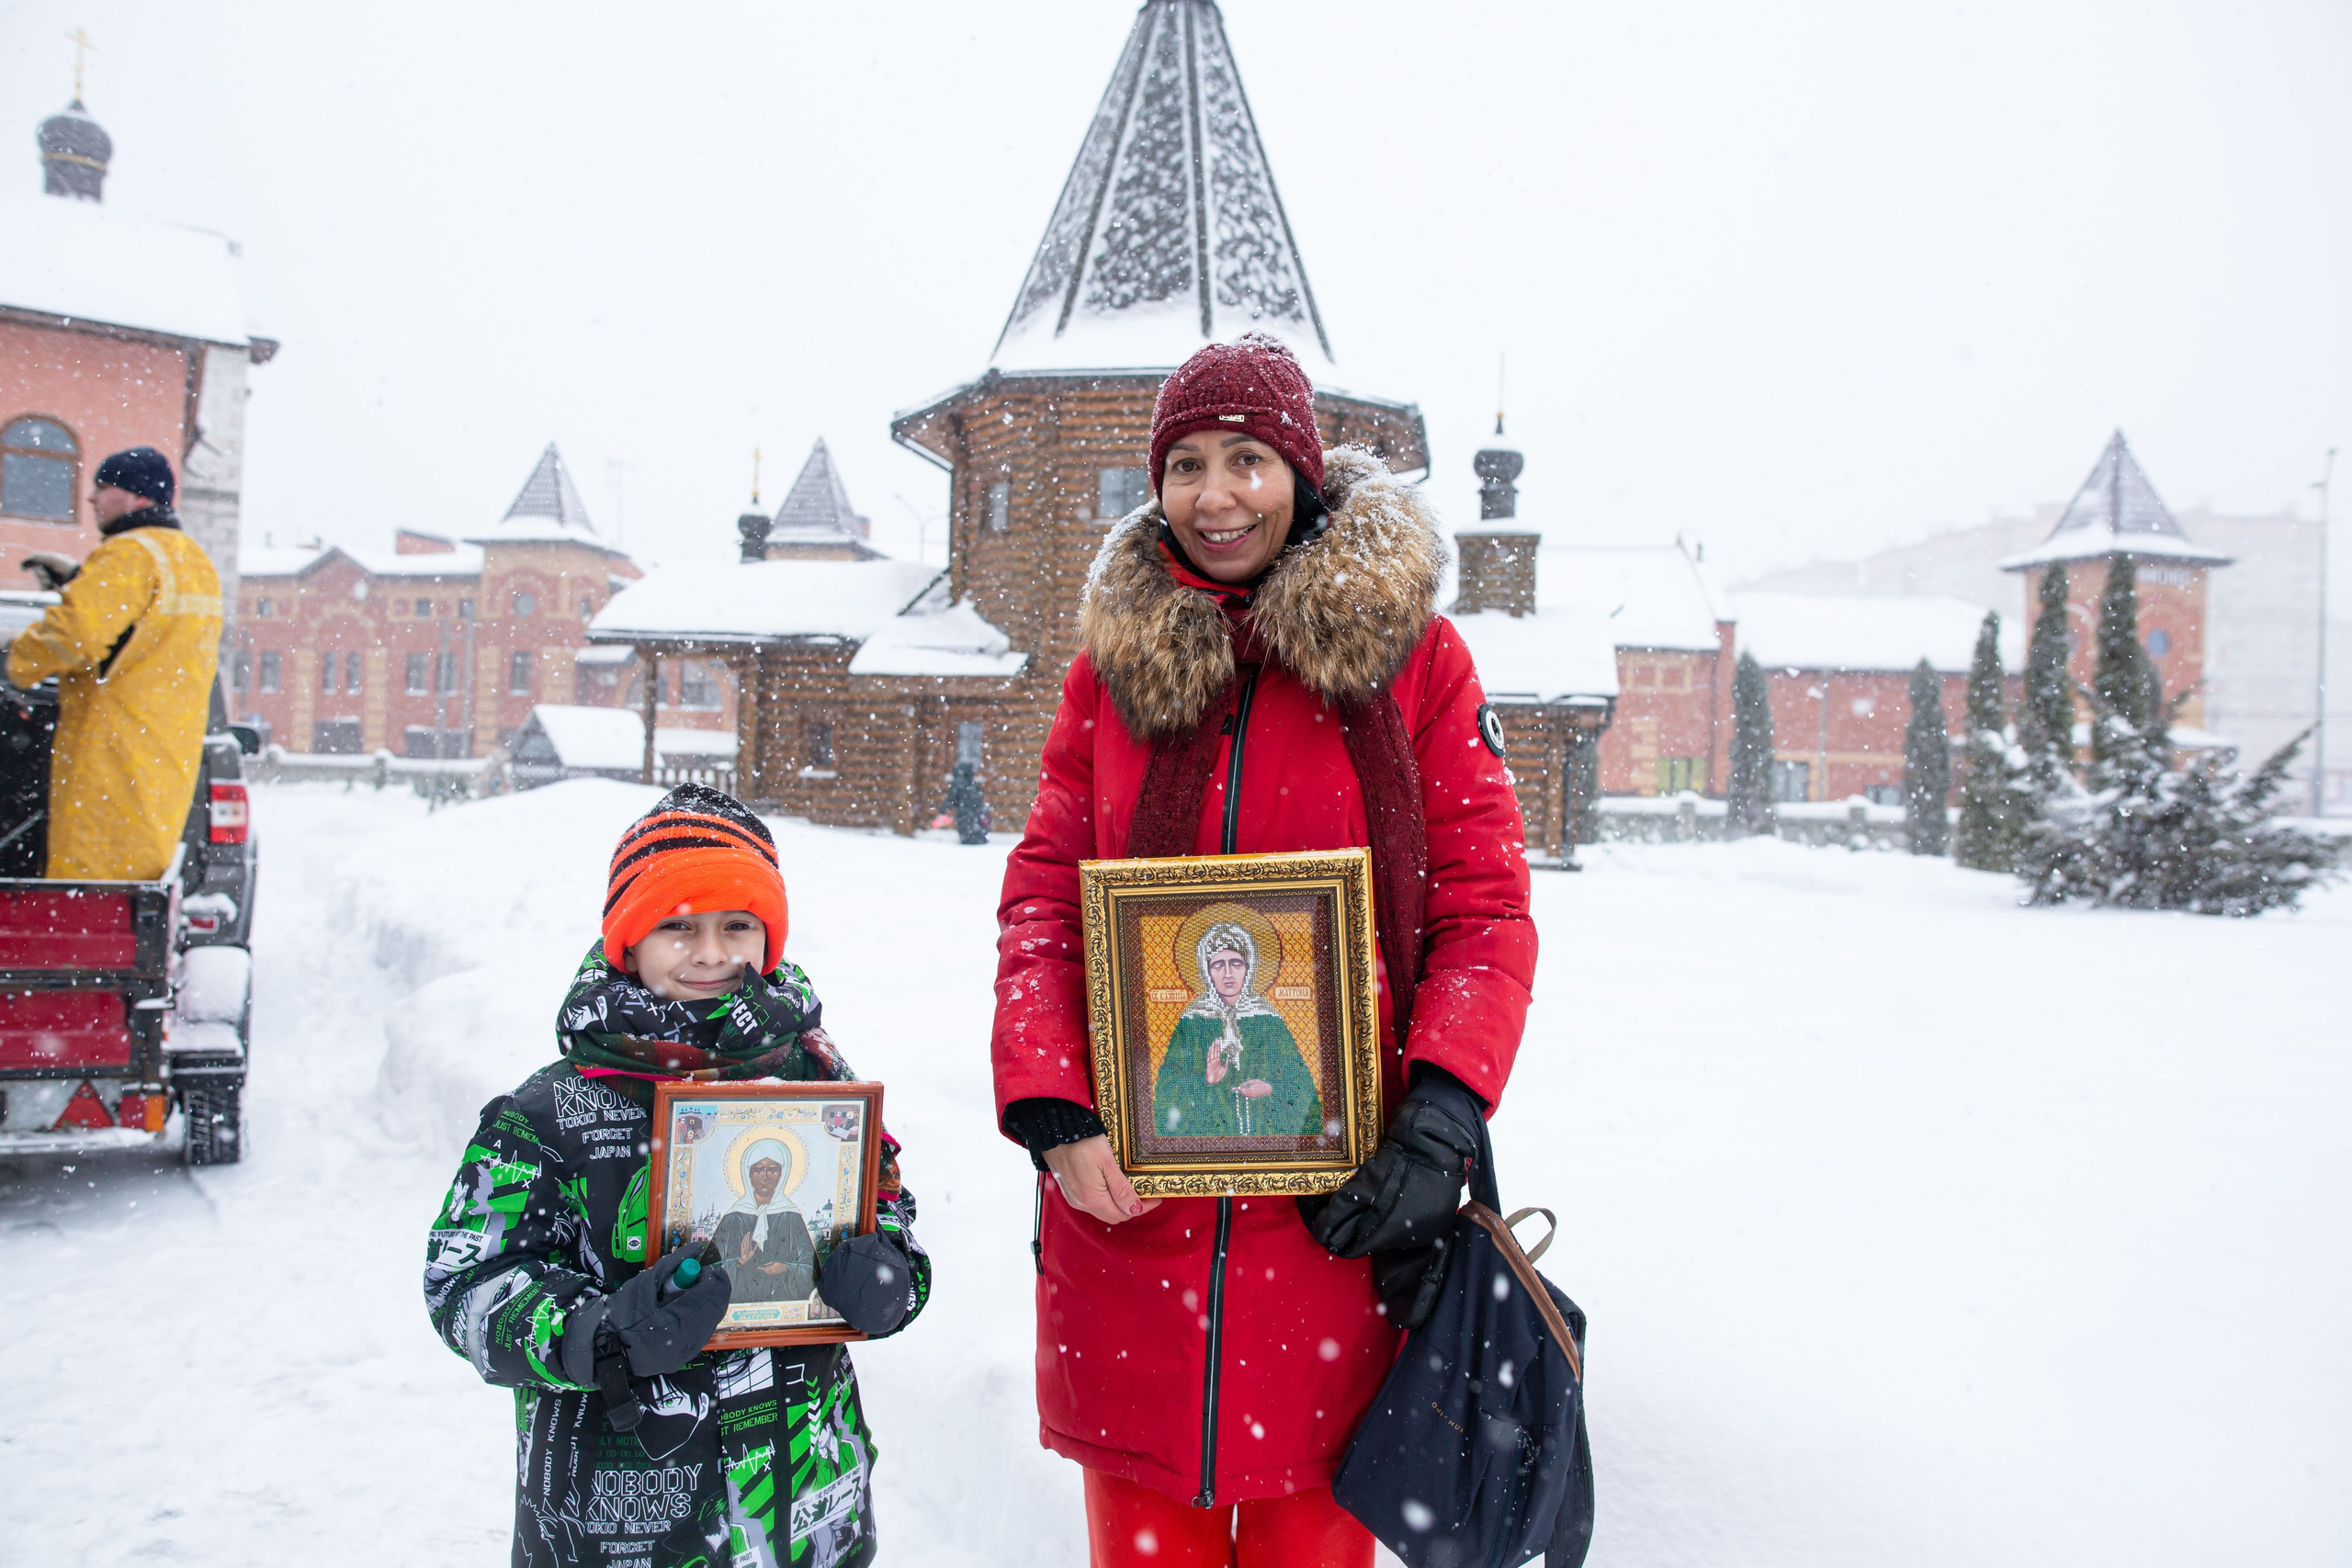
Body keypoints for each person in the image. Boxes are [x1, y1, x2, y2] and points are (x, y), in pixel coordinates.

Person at [991, 333, 1535, 1567]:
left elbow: (1485, 908)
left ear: (1300, 467)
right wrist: (1052, 1101)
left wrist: (1441, 1110)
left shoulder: (1415, 664)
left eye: (1247, 457)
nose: (1215, 492)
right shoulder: (1112, 675)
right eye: (1184, 462)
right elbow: (1044, 898)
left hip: (1338, 1220)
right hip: (1132, 1219)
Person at [425, 784, 930, 1568]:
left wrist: (889, 1276)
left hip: (807, 1513)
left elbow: (888, 1205)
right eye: (678, 926)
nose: (711, 953)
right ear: (629, 941)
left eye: (737, 925)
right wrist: (598, 1332)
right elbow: (464, 1284)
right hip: (623, 1521)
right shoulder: (552, 1111)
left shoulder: (813, 1080)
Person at [5, 446, 221, 880]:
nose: (92, 499)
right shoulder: (191, 560)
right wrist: (80, 582)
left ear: (138, 496)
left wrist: (14, 660)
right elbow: (137, 635)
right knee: (126, 885)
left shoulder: (128, 554)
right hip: (158, 758)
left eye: (103, 488)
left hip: (110, 756)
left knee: (86, 883)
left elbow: (74, 637)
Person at [1152, 919, 1321, 1139]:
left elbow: (1301, 1086)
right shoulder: (1192, 1023)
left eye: (1236, 963)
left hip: (1268, 1143)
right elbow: (1167, 1093)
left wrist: (1270, 1089)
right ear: (1207, 971)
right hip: (1212, 1146)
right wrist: (1205, 1081)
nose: (1228, 973)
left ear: (1248, 968)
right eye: (1218, 965)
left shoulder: (1269, 1021)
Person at [711, 1141, 819, 1302]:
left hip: (783, 1301)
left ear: (783, 1174)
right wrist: (740, 1262)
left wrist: (785, 1267)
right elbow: (709, 1269)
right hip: (739, 1303)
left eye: (773, 1170)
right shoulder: (733, 1217)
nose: (765, 1176)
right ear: (748, 1173)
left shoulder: (791, 1217)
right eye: (758, 1169)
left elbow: (810, 1268)